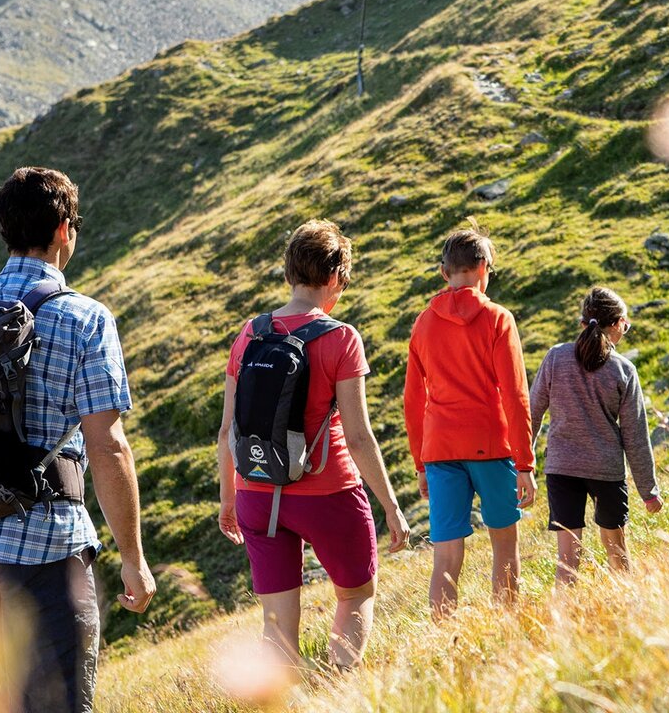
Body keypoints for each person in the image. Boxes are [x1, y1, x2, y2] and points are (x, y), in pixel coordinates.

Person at [0, 166, 155, 712]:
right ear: (63, 229)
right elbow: (108, 445)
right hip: (42, 545)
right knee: (59, 702)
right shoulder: (84, 318)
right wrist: (133, 556)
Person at [216, 219, 412, 669]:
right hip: (327, 493)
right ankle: (341, 688)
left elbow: (227, 431)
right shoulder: (341, 338)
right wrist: (391, 506)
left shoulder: (248, 335)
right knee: (356, 592)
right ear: (334, 277)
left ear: (289, 273)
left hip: (257, 493)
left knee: (276, 625)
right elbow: (359, 438)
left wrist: (229, 497)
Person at [403, 220, 536, 616]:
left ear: (445, 273)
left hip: (440, 450)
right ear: (483, 268)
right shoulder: (498, 318)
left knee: (445, 558)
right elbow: (514, 394)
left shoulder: (424, 324)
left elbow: (413, 401)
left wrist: (420, 465)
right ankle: (506, 626)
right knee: (505, 548)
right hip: (491, 446)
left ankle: (444, 638)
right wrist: (525, 462)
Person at [530, 287, 662, 584]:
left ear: (583, 322)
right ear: (617, 325)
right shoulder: (623, 370)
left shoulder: (555, 358)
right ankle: (628, 608)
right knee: (617, 552)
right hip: (606, 470)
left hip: (562, 469)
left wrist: (524, 464)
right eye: (625, 325)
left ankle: (563, 622)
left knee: (567, 560)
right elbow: (635, 435)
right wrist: (648, 490)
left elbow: (532, 413)